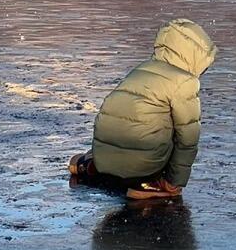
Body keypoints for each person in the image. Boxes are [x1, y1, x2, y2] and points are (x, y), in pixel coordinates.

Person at [69, 20, 217, 202]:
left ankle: (89, 166)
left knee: (135, 122)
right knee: (176, 130)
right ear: (197, 56)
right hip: (143, 166)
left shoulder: (141, 69)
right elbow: (188, 138)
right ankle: (147, 184)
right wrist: (174, 182)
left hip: (104, 156)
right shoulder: (184, 81)